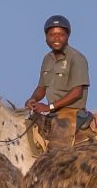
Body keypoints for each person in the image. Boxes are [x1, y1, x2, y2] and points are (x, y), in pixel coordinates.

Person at [24, 15, 90, 149]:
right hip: (53, 112)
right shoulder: (47, 59)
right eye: (52, 35)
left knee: (57, 151)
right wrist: (33, 99)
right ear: (46, 38)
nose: (56, 38)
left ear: (67, 36)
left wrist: (49, 107)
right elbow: (41, 88)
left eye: (61, 34)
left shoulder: (77, 58)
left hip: (71, 111)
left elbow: (77, 92)